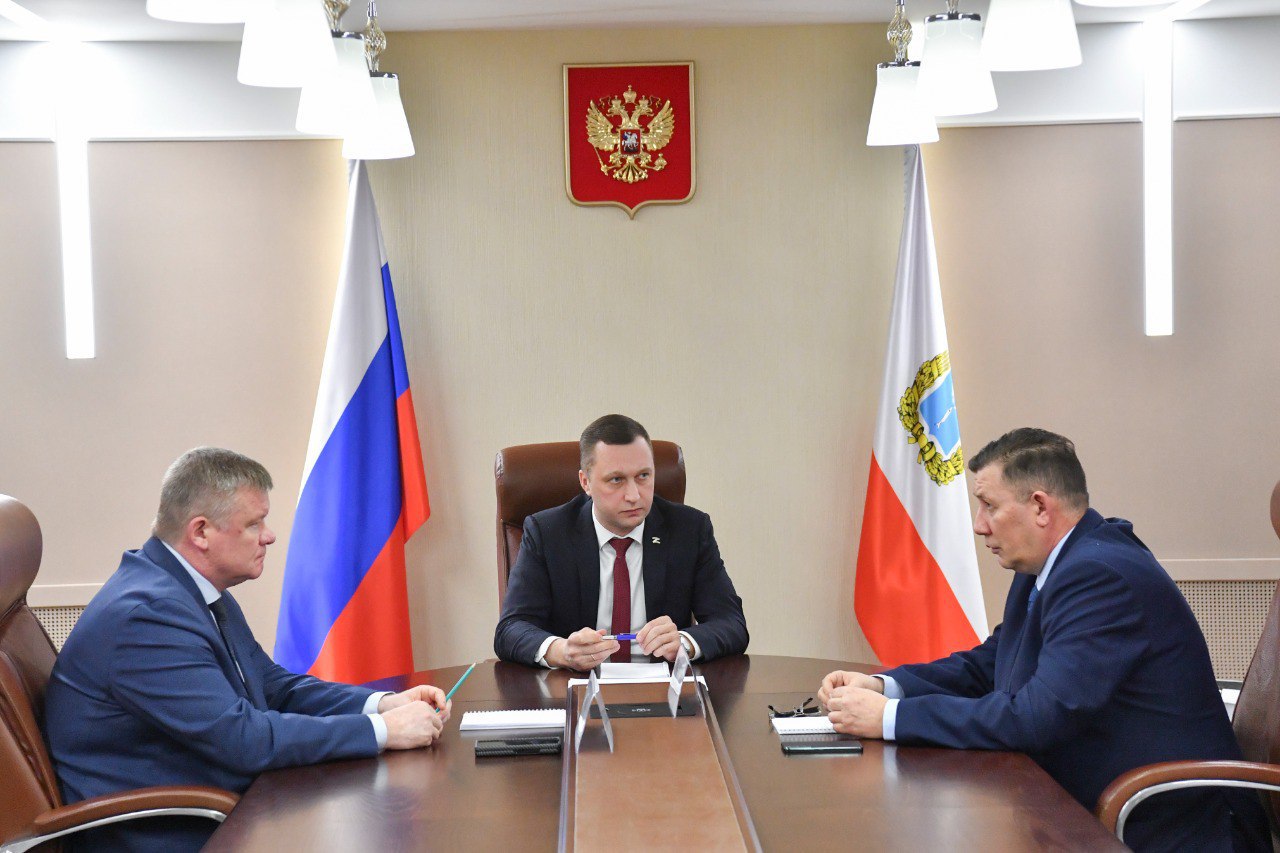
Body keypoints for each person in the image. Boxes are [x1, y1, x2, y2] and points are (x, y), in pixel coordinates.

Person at [819, 428, 1269, 853]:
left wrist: (890, 718)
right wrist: (886, 686)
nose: (979, 526)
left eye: (989, 506)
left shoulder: (1100, 575)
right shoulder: (1052, 564)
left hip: (1173, 824)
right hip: (1089, 805)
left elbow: (1036, 717)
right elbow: (990, 665)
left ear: (1039, 507)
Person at [45, 448, 452, 852]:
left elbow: (272, 686)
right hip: (166, 833)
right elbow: (243, 741)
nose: (269, 536)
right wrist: (383, 732)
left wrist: (380, 705)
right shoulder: (147, 617)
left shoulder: (189, 590)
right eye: (254, 524)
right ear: (200, 532)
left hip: (221, 804)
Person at [494, 414, 748, 669]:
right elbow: (510, 629)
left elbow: (731, 622)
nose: (634, 495)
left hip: (661, 685)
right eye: (616, 480)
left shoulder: (689, 530)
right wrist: (562, 651)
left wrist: (683, 642)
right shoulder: (548, 533)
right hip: (578, 683)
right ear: (585, 482)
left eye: (643, 476)